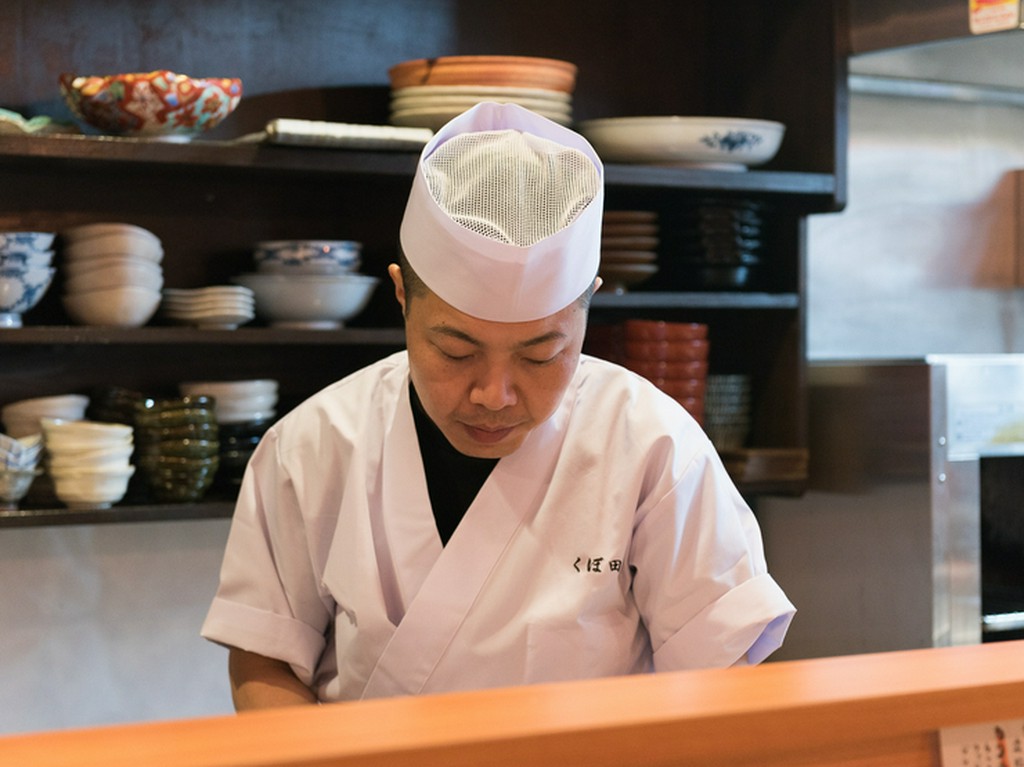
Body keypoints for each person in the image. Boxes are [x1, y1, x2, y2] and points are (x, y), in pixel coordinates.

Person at [201, 102, 795, 710]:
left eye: (540, 356)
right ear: (403, 297)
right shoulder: (311, 445)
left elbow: (721, 677)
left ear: (589, 304)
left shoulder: (655, 447)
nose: (494, 395)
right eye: (455, 351)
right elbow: (267, 653)